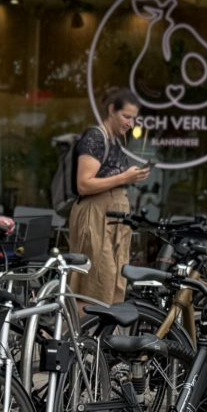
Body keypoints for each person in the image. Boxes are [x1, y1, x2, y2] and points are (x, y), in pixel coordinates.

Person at [68, 88, 152, 306]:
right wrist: (125, 177)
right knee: (95, 281)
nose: (130, 123)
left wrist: (131, 178)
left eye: (134, 118)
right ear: (111, 110)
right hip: (96, 217)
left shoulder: (117, 140)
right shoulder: (96, 137)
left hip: (114, 220)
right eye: (126, 116)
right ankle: (79, 336)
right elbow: (84, 184)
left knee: (115, 280)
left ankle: (102, 337)